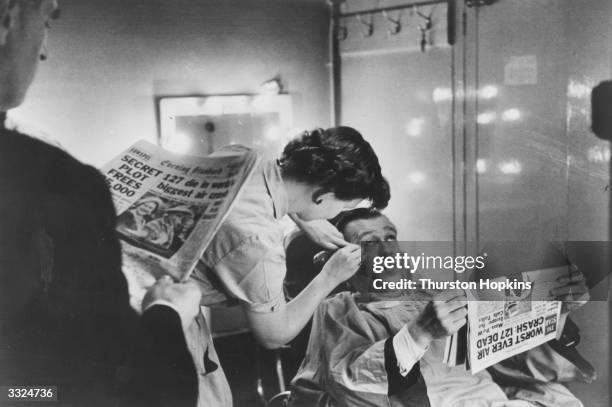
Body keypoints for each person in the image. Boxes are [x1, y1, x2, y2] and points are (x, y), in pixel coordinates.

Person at [0, 1, 200, 406]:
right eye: (46, 20)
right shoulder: (54, 184)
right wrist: (166, 312)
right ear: (7, 20)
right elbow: (128, 394)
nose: (43, 51)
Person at [290, 208, 593, 407]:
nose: (387, 249)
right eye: (369, 242)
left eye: (390, 236)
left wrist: (556, 310)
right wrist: (420, 332)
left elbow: (512, 360)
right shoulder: (341, 309)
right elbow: (351, 386)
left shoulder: (439, 294)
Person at [189, 127, 391, 405]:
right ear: (322, 196)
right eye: (340, 207)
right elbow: (273, 335)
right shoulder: (259, 245)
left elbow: (254, 193)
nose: (335, 216)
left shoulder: (241, 156)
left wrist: (302, 216)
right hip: (159, 319)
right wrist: (328, 277)